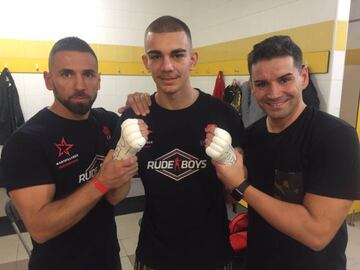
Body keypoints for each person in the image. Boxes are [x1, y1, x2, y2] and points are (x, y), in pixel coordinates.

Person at [205, 35, 360, 270]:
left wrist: (242, 185)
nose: (274, 93)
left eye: (285, 79)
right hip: (258, 261)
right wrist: (227, 166)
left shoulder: (336, 137)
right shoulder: (252, 136)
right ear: (253, 87)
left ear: (303, 77)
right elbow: (236, 197)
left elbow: (316, 234)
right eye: (262, 84)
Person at [0, 37, 145, 270]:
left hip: (108, 258)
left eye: (88, 74)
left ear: (99, 80)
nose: (80, 85)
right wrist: (101, 181)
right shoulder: (25, 143)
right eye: (67, 74)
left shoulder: (106, 121)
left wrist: (140, 106)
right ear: (49, 80)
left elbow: (116, 197)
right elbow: (40, 229)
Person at [114, 16, 244, 270]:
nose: (167, 66)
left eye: (177, 55)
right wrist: (122, 153)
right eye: (156, 56)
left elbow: (233, 197)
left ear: (192, 59)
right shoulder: (134, 116)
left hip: (213, 255)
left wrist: (227, 160)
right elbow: (115, 197)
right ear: (146, 62)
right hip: (154, 254)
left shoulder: (224, 115)